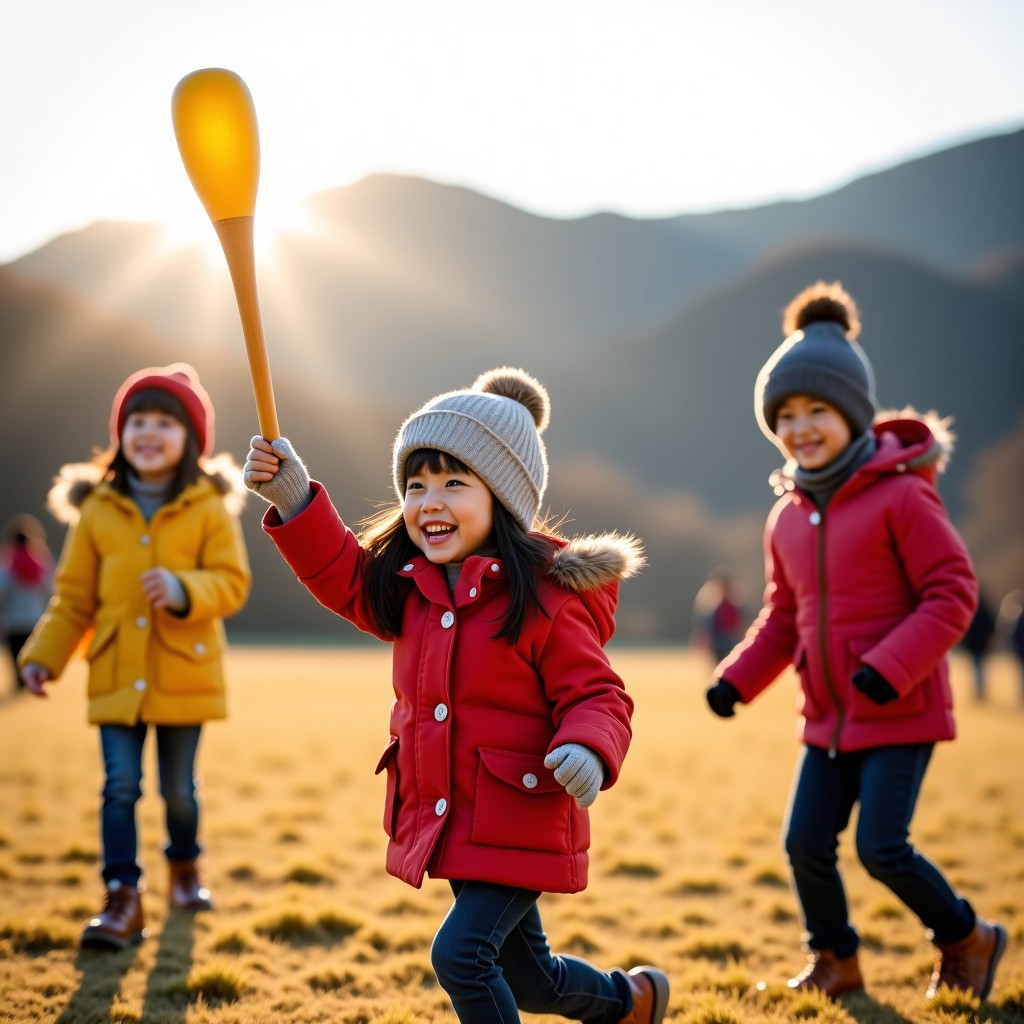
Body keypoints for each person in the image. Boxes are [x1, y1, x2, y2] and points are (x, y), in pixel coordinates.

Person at [243, 367, 669, 1024]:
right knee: (533, 981)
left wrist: (588, 746)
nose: (428, 501)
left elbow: (599, 694)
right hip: (459, 814)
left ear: (503, 498)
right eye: (415, 484)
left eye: (453, 483)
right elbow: (343, 577)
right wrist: (297, 499)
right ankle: (632, 1003)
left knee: (462, 956)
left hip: (520, 812)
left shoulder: (545, 600)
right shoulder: (411, 587)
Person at [703, 282, 1006, 1002]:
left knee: (881, 847)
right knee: (805, 843)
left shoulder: (902, 495)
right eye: (785, 415)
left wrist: (889, 668)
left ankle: (966, 936)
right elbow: (784, 616)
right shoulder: (787, 516)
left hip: (897, 708)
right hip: (828, 715)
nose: (801, 427)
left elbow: (953, 593)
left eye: (817, 410)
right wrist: (736, 678)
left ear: (853, 414)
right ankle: (835, 961)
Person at [19, 364, 251, 949]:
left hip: (184, 672)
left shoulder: (207, 507)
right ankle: (122, 898)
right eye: (137, 421)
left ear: (192, 438)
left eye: (165, 423)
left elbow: (232, 583)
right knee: (119, 787)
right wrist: (43, 655)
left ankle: (185, 870)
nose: (149, 433)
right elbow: (73, 598)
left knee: (179, 790)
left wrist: (182, 590)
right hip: (117, 673)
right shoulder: (99, 509)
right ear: (120, 433)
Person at [0, 513, 54, 691]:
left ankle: (20, 683)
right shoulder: (41, 560)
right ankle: (30, 684)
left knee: (16, 657)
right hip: (36, 618)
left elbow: (3, 591)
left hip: (13, 619)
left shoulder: (8, 562)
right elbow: (50, 588)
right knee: (31, 656)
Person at [690, 566, 747, 664]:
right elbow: (707, 624)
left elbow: (742, 622)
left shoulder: (735, 603)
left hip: (730, 641)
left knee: (728, 667)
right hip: (719, 642)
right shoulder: (713, 602)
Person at [958, 587, 997, 700]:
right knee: (979, 667)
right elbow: (991, 626)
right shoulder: (985, 611)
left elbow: (966, 629)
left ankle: (979, 690)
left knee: (977, 667)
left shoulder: (972, 612)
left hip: (975, 644)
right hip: (981, 644)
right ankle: (980, 690)